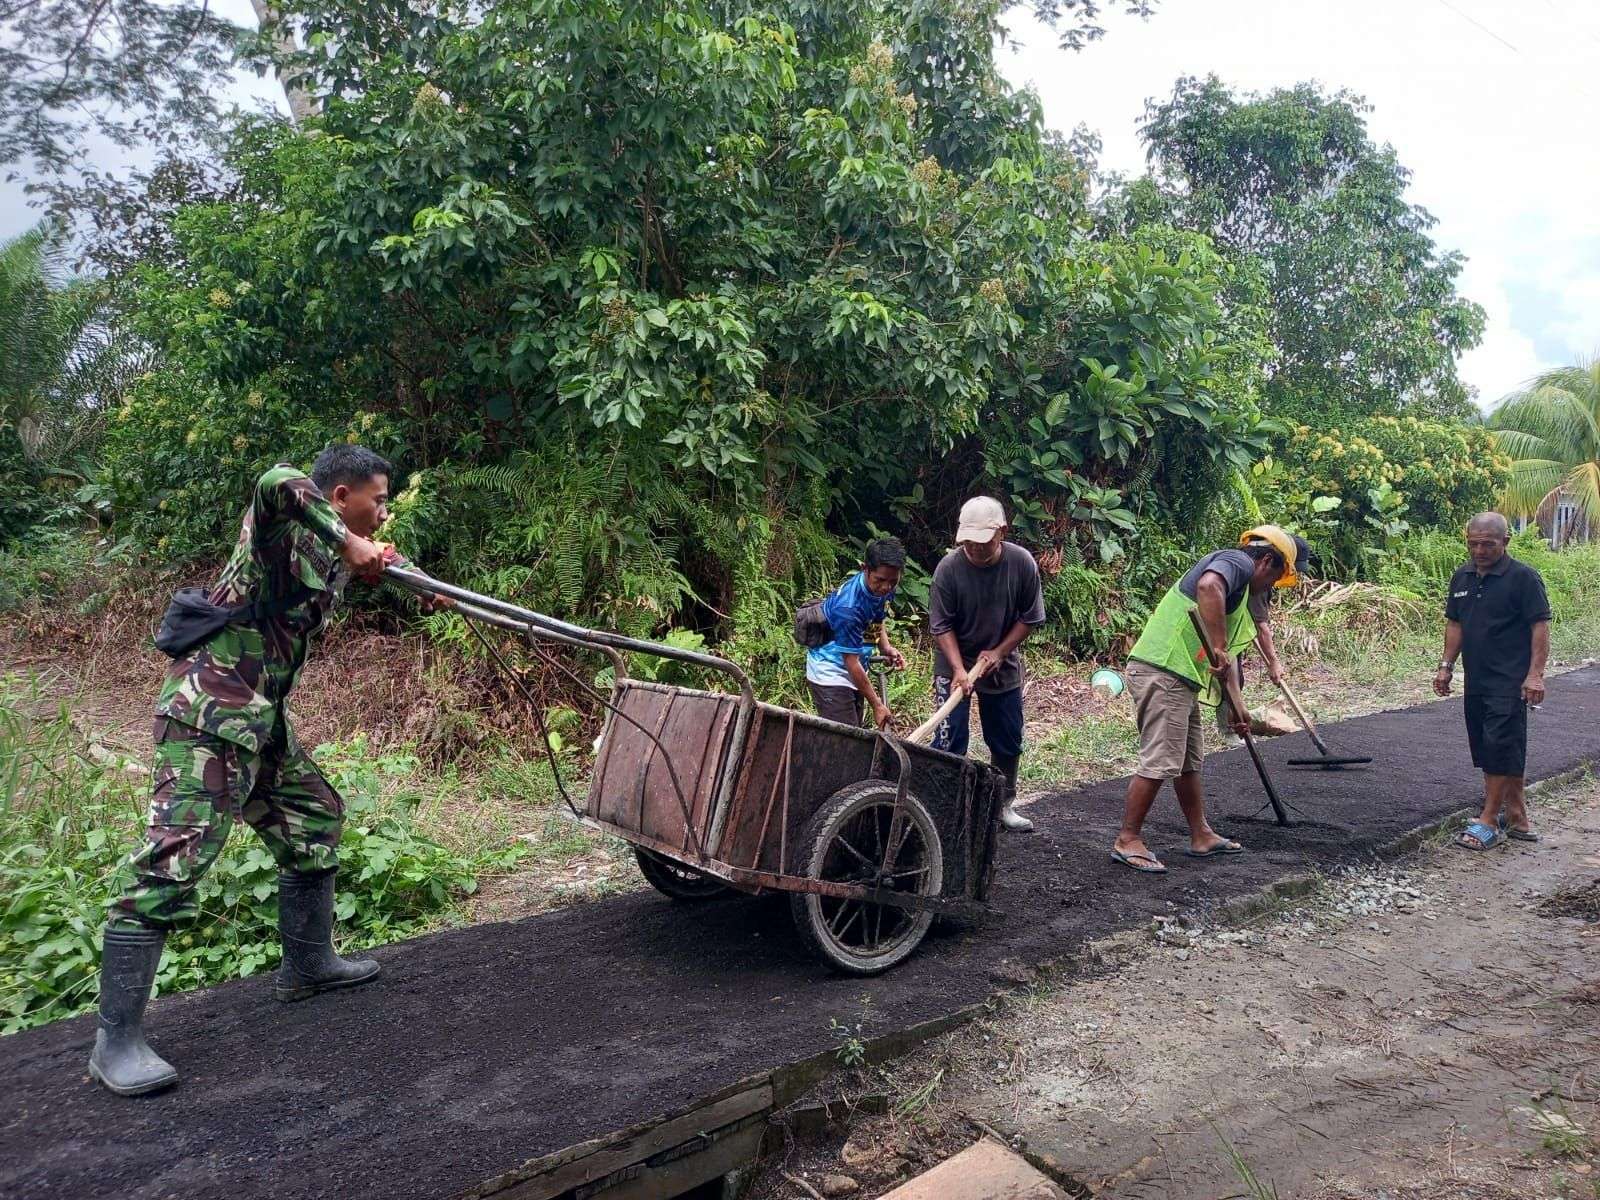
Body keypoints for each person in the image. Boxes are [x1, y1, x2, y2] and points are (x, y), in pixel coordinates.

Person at [89, 445, 448, 1096]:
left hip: (259, 718)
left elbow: (380, 567)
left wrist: (417, 586)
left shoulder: (335, 553)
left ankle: (307, 966)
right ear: (340, 498)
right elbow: (275, 479)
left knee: (314, 816)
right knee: (172, 860)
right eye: (379, 499)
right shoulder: (283, 527)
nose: (385, 511)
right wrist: (348, 543)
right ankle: (115, 1042)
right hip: (208, 713)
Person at [1112, 526, 1304, 873]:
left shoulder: (1241, 596)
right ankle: (1128, 839)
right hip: (1162, 669)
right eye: (1276, 578)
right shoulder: (1236, 562)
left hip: (1180, 677)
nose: (1271, 587)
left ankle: (1201, 834)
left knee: (1188, 761)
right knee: (1161, 758)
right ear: (1265, 561)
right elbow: (1207, 586)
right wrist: (1217, 645)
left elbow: (1225, 658)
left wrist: (1238, 710)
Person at [929, 496, 1046, 833]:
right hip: (955, 662)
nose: (975, 550)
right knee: (949, 741)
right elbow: (941, 626)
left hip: (1001, 660)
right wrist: (958, 670)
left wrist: (999, 652)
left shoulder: (1021, 563)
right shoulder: (948, 568)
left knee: (1007, 739)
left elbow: (1031, 617)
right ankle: (946, 810)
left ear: (1002, 532)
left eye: (982, 543)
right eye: (968, 542)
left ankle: (1003, 805)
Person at [1434, 511, 1550, 851]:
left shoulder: (1524, 578)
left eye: (1488, 544)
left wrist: (1535, 674)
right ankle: (1518, 818)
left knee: (1500, 744)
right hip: (1477, 678)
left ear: (1505, 542)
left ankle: (1488, 820)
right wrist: (1445, 666)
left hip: (1511, 680)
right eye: (1474, 544)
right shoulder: (1462, 577)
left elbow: (1540, 626)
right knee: (1491, 746)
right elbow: (1455, 624)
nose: (1480, 550)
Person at [1215, 532, 1310, 737]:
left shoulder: (1257, 574)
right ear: (1269, 560)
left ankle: (1233, 721)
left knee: (1232, 675)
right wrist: (1273, 662)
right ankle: (1228, 729)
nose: (1274, 583)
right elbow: (1261, 627)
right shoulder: (1249, 575)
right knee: (1227, 675)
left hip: (1230, 638)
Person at [806, 538, 908, 728]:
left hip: (856, 669)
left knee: (853, 732)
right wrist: (877, 704)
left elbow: (877, 617)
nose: (886, 587)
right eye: (880, 580)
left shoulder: (882, 588)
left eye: (893, 581)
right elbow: (850, 662)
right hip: (831, 672)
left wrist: (885, 647)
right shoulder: (849, 608)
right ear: (865, 569)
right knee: (846, 739)